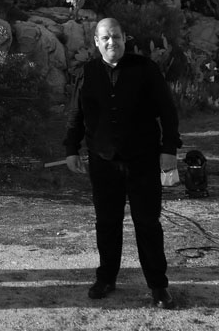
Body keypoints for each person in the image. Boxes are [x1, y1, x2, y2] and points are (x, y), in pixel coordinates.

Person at [64, 18, 181, 310]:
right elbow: (76, 115)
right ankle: (106, 278)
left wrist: (169, 149)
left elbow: (168, 111)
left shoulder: (145, 69)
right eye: (105, 38)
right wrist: (71, 149)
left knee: (148, 224)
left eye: (115, 36)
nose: (111, 42)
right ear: (96, 41)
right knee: (107, 223)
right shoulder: (87, 73)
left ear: (124, 38)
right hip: (103, 163)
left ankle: (158, 286)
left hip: (142, 161)